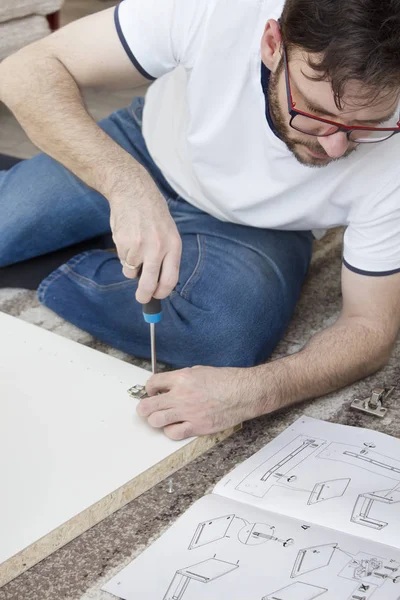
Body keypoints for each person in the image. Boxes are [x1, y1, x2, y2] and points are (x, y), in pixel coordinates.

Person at [1, 0, 399, 440]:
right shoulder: (219, 8)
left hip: (264, 228)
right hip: (143, 151)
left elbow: (370, 328)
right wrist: (126, 187)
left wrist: (254, 392)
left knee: (224, 337)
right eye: (315, 114)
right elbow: (25, 71)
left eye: (368, 125)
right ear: (272, 44)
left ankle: (53, 256)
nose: (337, 148)